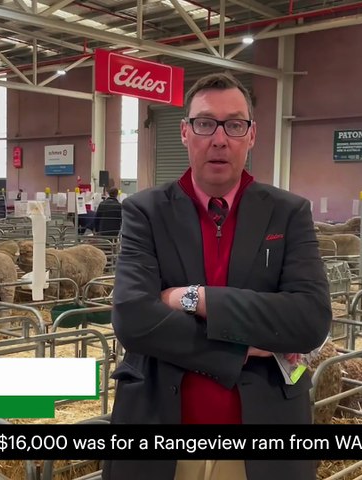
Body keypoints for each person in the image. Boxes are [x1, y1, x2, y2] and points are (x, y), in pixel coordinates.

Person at [104, 72, 332, 480]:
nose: (220, 138)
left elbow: (309, 320)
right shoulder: (146, 212)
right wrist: (244, 347)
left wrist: (192, 298)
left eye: (234, 124)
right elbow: (133, 319)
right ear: (185, 132)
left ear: (252, 134)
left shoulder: (288, 213)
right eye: (206, 123)